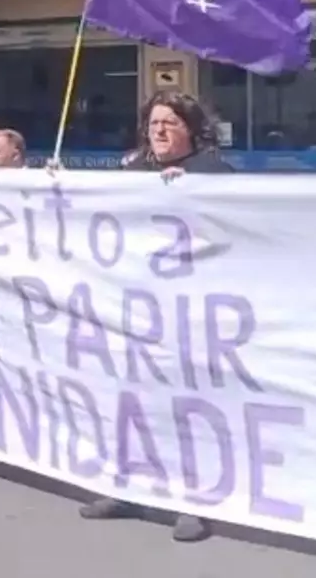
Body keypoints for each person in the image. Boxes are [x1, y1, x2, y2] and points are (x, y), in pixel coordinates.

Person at [79, 91, 231, 543]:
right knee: (132, 405)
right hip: (134, 312)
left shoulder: (214, 173)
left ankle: (192, 501)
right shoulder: (133, 173)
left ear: (191, 130)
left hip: (188, 314)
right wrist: (58, 186)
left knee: (185, 409)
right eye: (154, 123)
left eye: (171, 122)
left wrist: (191, 191)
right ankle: (127, 488)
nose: (160, 130)